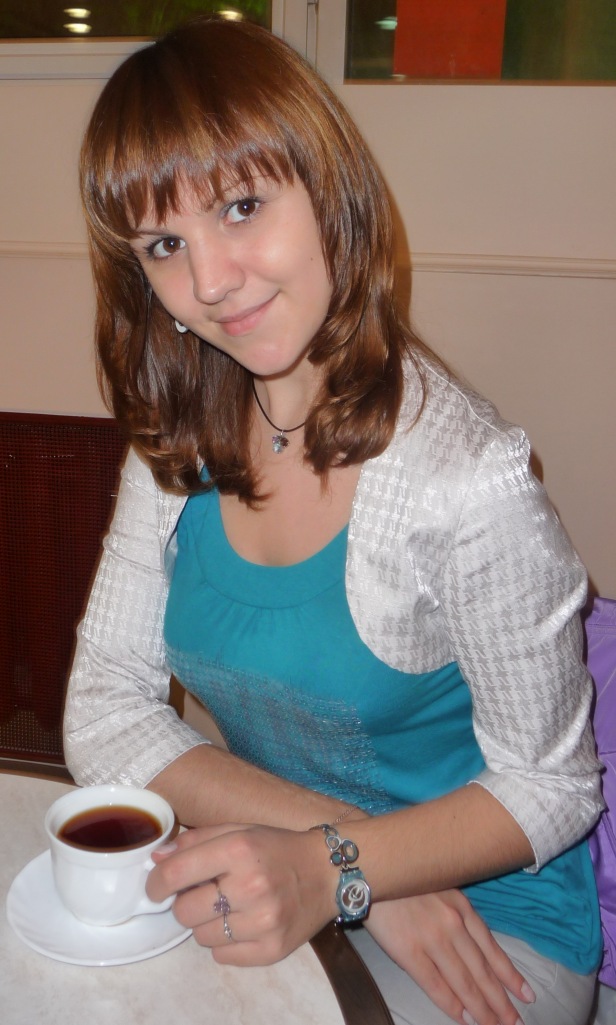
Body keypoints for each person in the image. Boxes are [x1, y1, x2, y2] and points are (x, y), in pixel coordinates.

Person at [64, 16, 603, 1025]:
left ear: (328, 191)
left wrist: (338, 868)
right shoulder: (173, 442)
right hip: (294, 873)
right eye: (165, 244)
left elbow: (552, 787)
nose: (211, 281)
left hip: (491, 929)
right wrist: (343, 862)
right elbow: (103, 711)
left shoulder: (466, 478)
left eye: (241, 207)